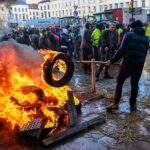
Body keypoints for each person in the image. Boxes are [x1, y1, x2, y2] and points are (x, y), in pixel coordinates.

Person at [106, 20, 149, 112]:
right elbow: (145, 53)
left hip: (127, 63)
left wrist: (112, 61)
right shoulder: (146, 38)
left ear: (132, 28)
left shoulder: (128, 35)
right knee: (135, 84)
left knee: (120, 82)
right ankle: (133, 105)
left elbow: (121, 50)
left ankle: (115, 103)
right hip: (139, 65)